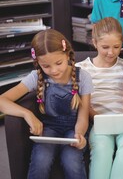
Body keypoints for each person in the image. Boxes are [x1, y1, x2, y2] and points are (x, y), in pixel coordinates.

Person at [0, 29, 93, 179]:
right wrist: (27, 113)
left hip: (74, 129)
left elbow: (83, 116)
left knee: (71, 161)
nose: (54, 70)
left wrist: (79, 135)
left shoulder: (83, 77)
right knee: (41, 160)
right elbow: (2, 100)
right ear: (38, 63)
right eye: (46, 66)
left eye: (59, 63)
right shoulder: (35, 77)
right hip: (48, 129)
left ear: (67, 54)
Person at [76, 17, 123, 179]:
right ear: (94, 43)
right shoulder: (82, 69)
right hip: (99, 123)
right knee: (102, 150)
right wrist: (100, 120)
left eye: (117, 47)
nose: (111, 52)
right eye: (105, 47)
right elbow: (83, 106)